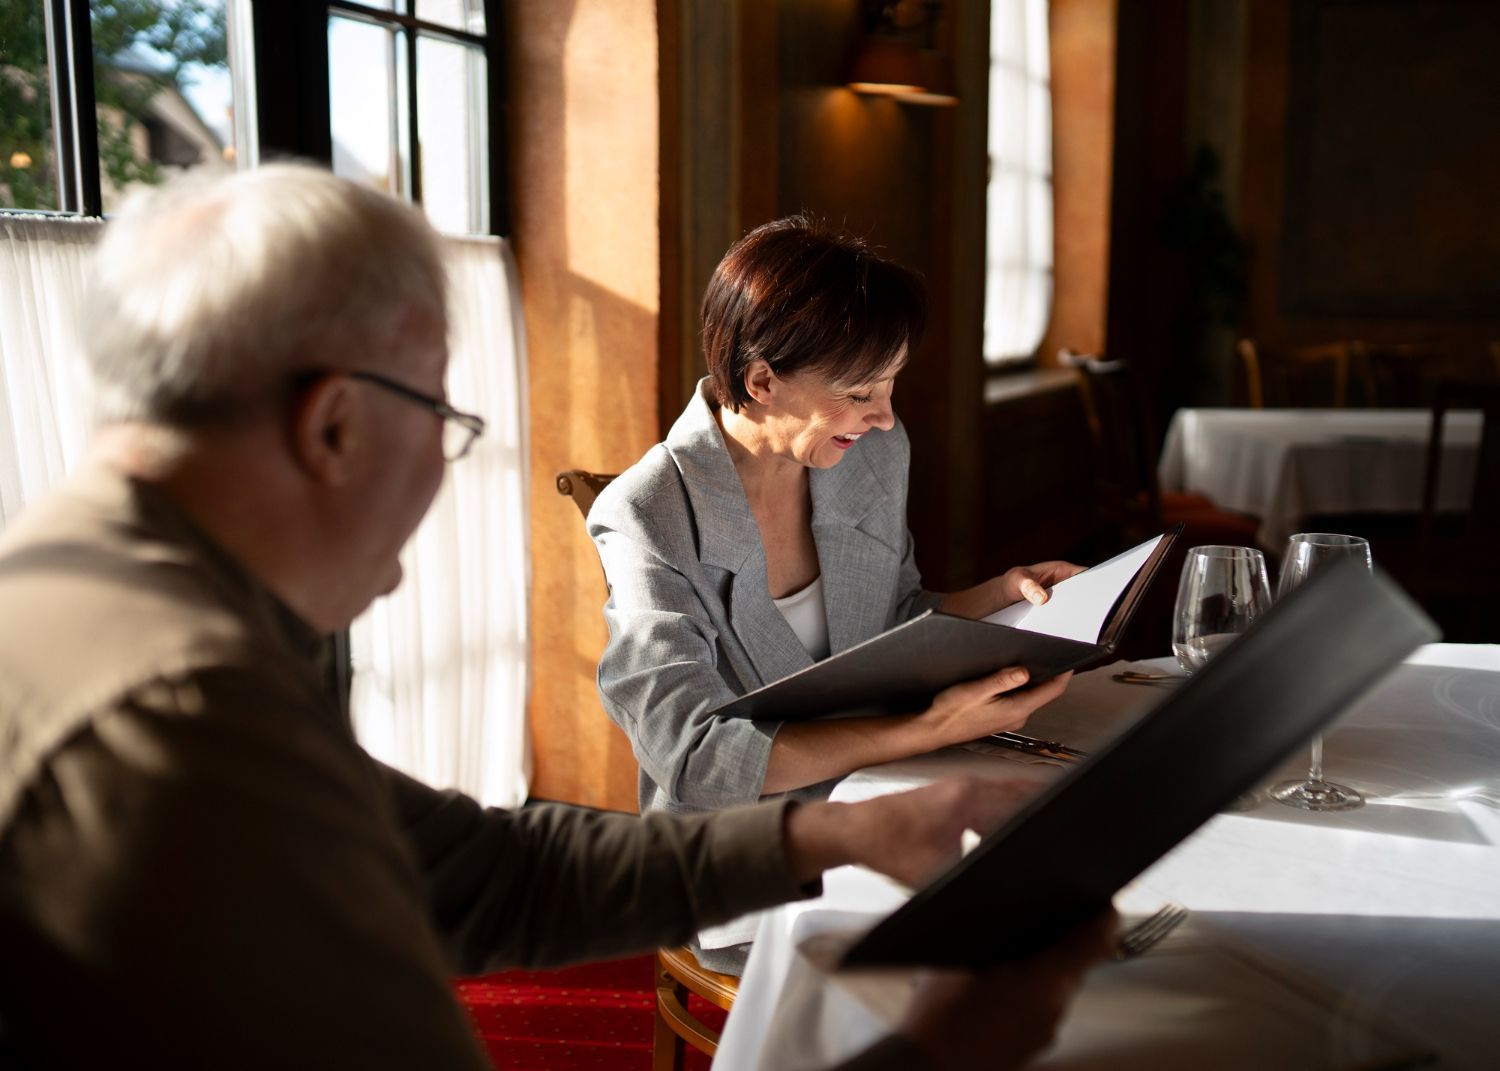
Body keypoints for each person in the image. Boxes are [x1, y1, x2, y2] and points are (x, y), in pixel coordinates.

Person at [0, 165, 1112, 1069]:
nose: (444, 468)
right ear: (336, 424)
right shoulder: (171, 716)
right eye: (443, 417)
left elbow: (477, 872)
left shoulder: (88, 594)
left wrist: (838, 832)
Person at [591, 216, 1083, 819]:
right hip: (747, 846)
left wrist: (1001, 596)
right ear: (762, 380)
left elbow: (893, 621)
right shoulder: (647, 514)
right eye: (858, 395)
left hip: (891, 791)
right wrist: (930, 730)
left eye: (890, 386)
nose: (883, 417)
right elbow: (694, 757)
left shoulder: (869, 454)